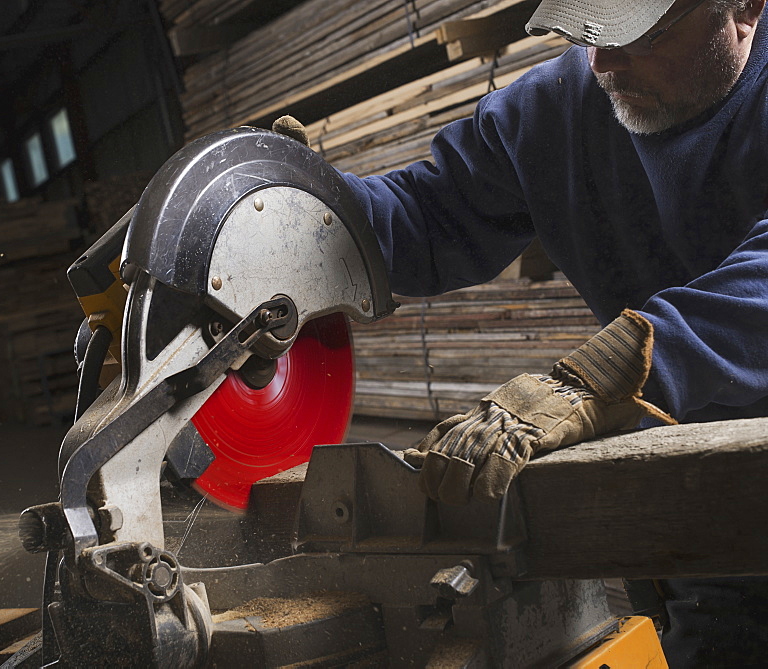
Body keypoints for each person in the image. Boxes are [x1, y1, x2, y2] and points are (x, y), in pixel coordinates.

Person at [274, 0, 768, 664]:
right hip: (694, 502)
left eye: (640, 34)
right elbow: (426, 216)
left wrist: (616, 367)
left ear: (743, 8)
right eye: (587, 31)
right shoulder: (556, 109)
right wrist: (303, 213)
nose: (603, 62)